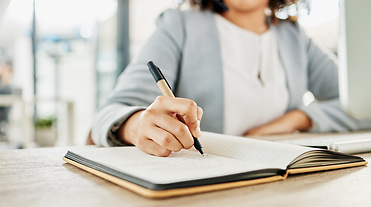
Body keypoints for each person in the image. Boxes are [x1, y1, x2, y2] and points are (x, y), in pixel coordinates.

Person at [92, 0, 371, 156]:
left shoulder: (294, 37)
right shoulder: (180, 26)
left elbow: (361, 104)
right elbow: (110, 113)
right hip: (204, 185)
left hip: (283, 182)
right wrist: (138, 123)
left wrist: (299, 118)